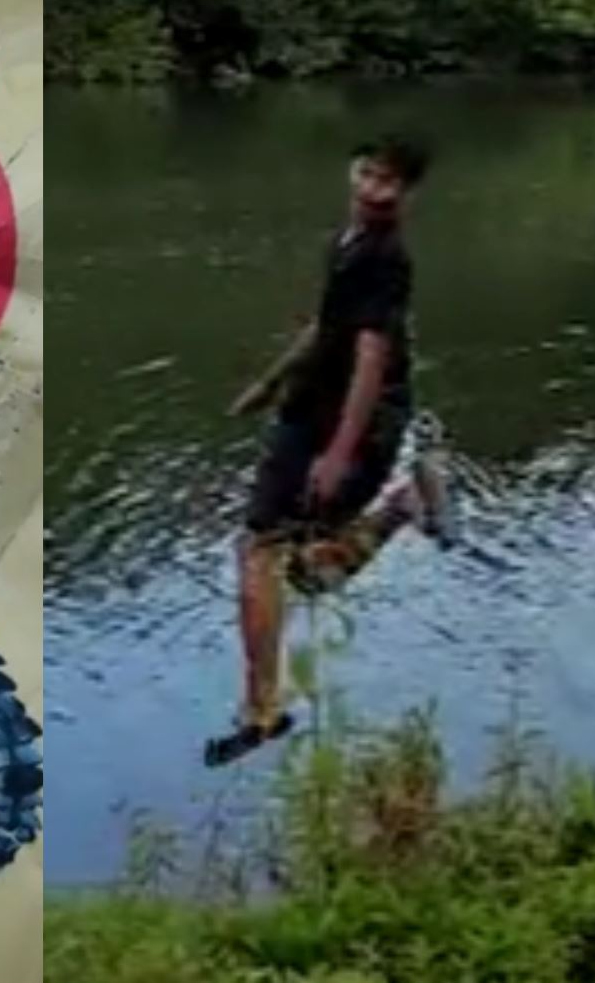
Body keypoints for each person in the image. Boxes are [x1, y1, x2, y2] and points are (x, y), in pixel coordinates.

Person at [205, 137, 453, 768]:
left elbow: (372, 357)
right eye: (366, 173)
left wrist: (340, 450)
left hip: (354, 423)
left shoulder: (385, 259)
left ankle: (262, 710)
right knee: (296, 570)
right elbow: (326, 326)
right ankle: (406, 503)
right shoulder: (345, 243)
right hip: (310, 409)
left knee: (265, 552)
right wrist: (271, 382)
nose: (372, 189)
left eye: (388, 182)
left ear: (407, 193)